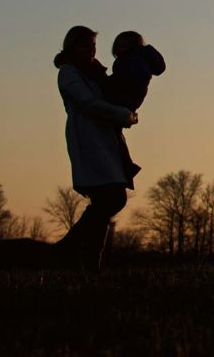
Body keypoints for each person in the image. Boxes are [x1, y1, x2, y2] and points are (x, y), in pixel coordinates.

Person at [53, 26, 139, 271]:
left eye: (93, 46)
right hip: (88, 141)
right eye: (85, 45)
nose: (91, 51)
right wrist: (121, 114)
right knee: (112, 199)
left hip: (105, 141)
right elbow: (88, 103)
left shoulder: (94, 73)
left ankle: (90, 265)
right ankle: (68, 248)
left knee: (104, 204)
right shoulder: (68, 73)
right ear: (71, 47)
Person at [105, 31, 166, 111]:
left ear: (134, 47)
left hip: (122, 100)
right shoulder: (133, 61)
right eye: (117, 46)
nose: (119, 49)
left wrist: (104, 81)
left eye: (124, 46)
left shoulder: (134, 62)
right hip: (128, 102)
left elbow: (123, 81)